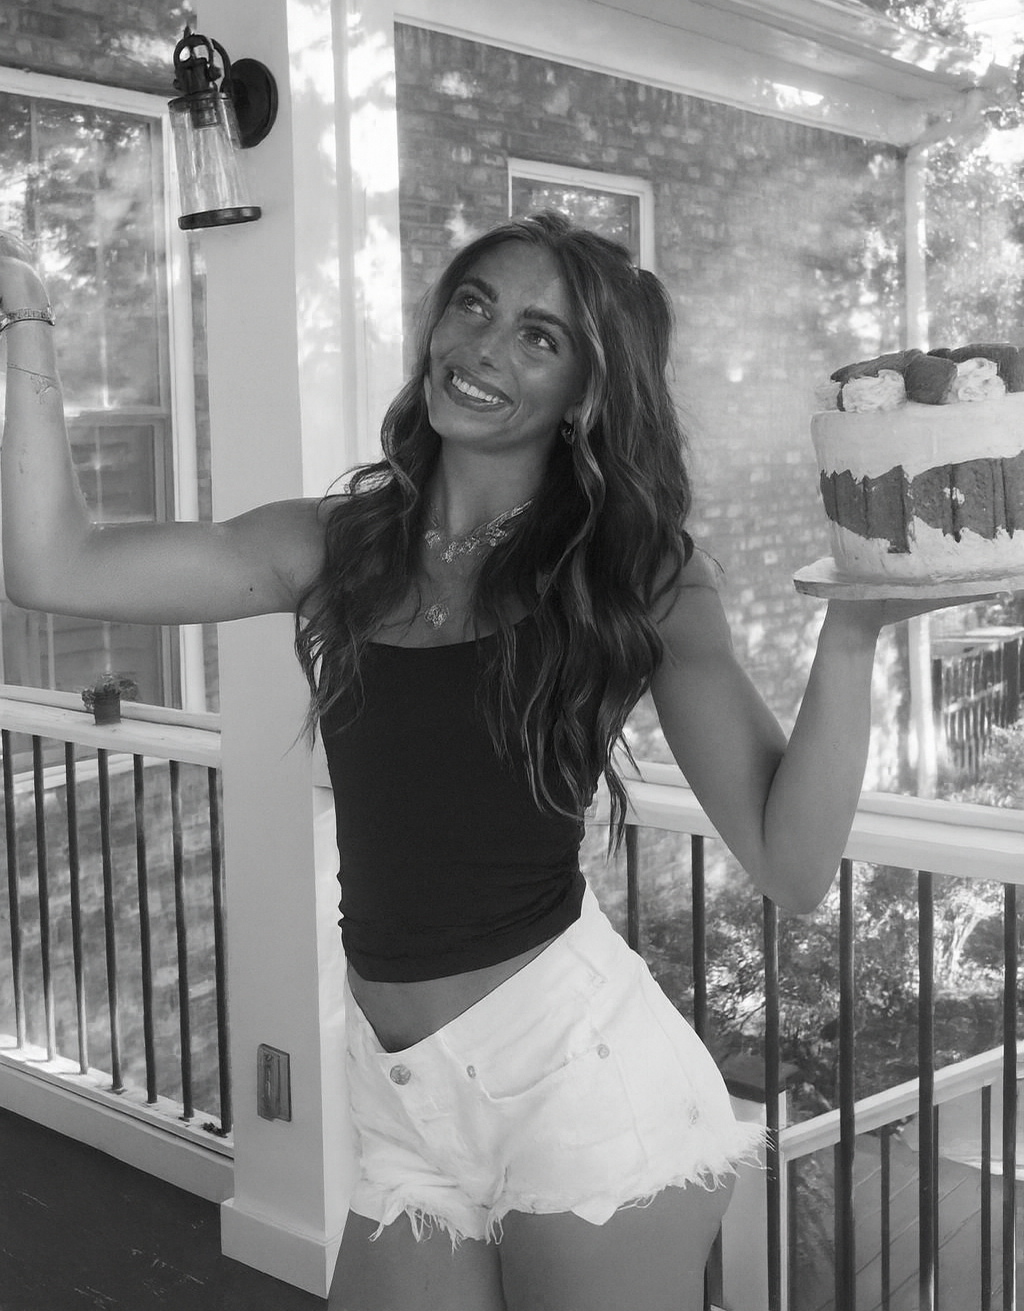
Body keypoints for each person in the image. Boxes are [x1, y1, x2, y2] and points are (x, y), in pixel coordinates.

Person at [0, 214, 946, 1311]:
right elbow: (53, 565)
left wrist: (856, 629)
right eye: (474, 304)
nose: (484, 348)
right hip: (402, 1094)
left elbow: (790, 862)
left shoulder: (634, 576)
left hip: (580, 1087)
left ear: (586, 393)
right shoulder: (338, 543)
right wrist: (26, 310)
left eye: (539, 338)